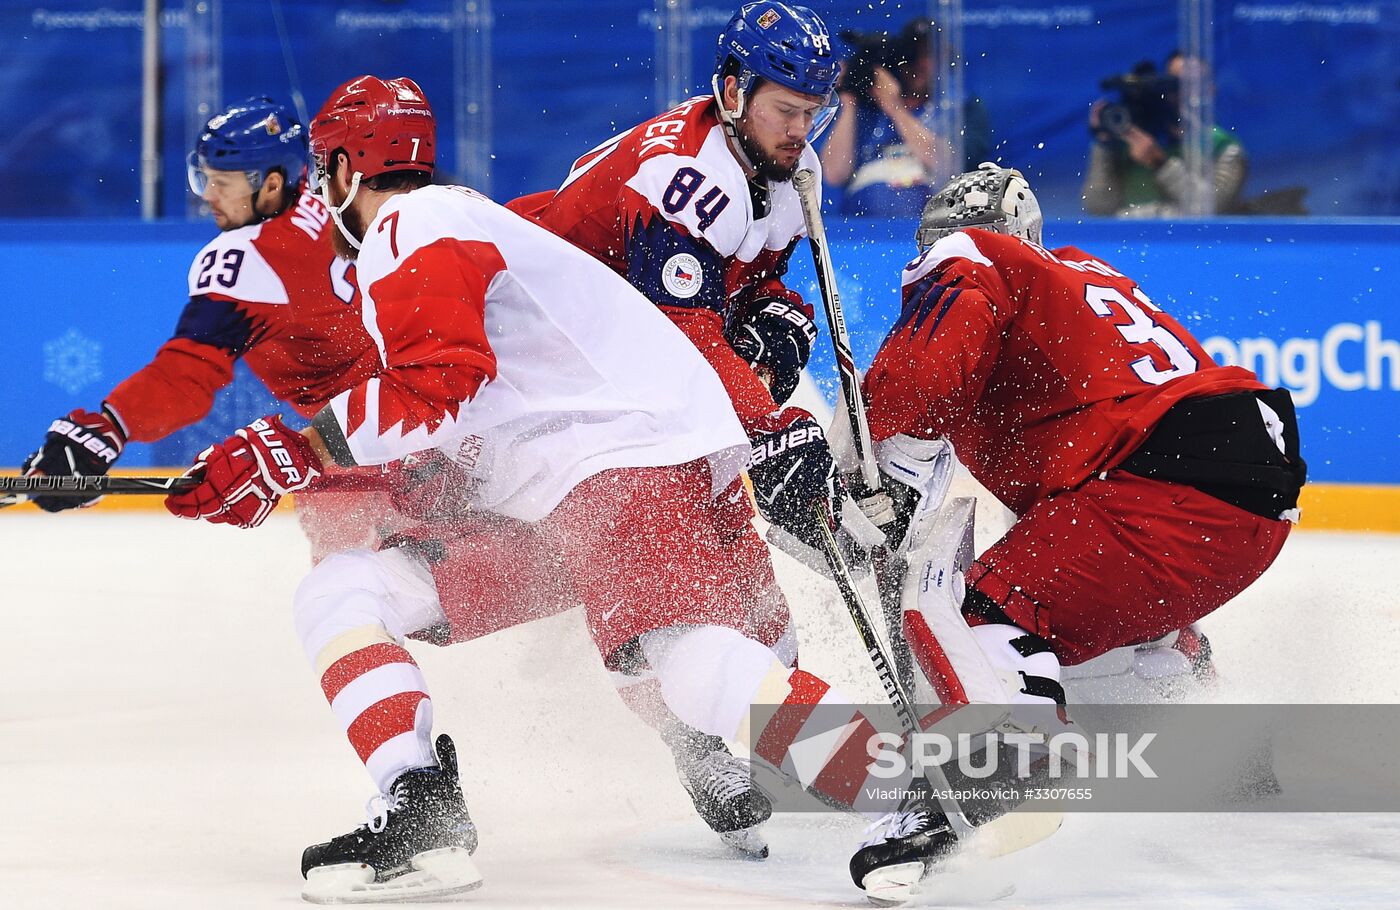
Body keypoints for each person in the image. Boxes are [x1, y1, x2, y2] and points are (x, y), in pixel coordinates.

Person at [163, 74, 920, 903]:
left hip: (621, 470)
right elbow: (456, 416)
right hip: (579, 497)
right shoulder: (457, 225)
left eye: (321, 172)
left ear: (344, 170)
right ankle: (419, 809)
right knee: (343, 591)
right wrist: (304, 466)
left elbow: (440, 382)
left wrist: (288, 448)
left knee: (686, 658)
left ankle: (897, 789)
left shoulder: (414, 225)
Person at [841, 162, 1304, 900]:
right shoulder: (1083, 281)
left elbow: (922, 380)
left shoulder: (979, 262)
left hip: (1162, 477)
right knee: (1080, 609)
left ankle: (1007, 760)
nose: (930, 264)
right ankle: (1217, 745)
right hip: (1249, 486)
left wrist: (888, 455)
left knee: (993, 607)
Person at [510, 0, 863, 849]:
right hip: (562, 391)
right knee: (669, 607)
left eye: (816, 113)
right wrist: (769, 418)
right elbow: (687, 330)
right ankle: (718, 743)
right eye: (787, 110)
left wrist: (782, 319)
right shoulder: (687, 175)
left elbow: (740, 289)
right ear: (733, 91)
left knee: (752, 606)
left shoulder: (770, 161)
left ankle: (745, 734)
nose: (802, 131)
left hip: (633, 381)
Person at [8, 97, 388, 560]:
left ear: (270, 185)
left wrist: (108, 428)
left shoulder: (250, 257)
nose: (208, 194)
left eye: (222, 183)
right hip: (433, 407)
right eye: (203, 177)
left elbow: (186, 376)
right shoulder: (337, 200)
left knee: (345, 598)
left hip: (360, 449)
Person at [819, 17, 993, 218]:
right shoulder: (866, 109)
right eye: (911, 54)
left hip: (933, 224)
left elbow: (950, 165)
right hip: (861, 229)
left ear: (945, 60)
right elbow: (834, 175)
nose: (918, 63)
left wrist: (895, 108)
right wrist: (849, 99)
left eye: (928, 54)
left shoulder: (960, 107)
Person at [1082, 52, 1247, 217]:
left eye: (1192, 85)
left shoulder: (1222, 146)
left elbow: (1214, 206)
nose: (1182, 93)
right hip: (1129, 239)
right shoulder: (1127, 140)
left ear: (1211, 90)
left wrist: (1160, 162)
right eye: (1175, 85)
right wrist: (1105, 146)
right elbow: (1098, 208)